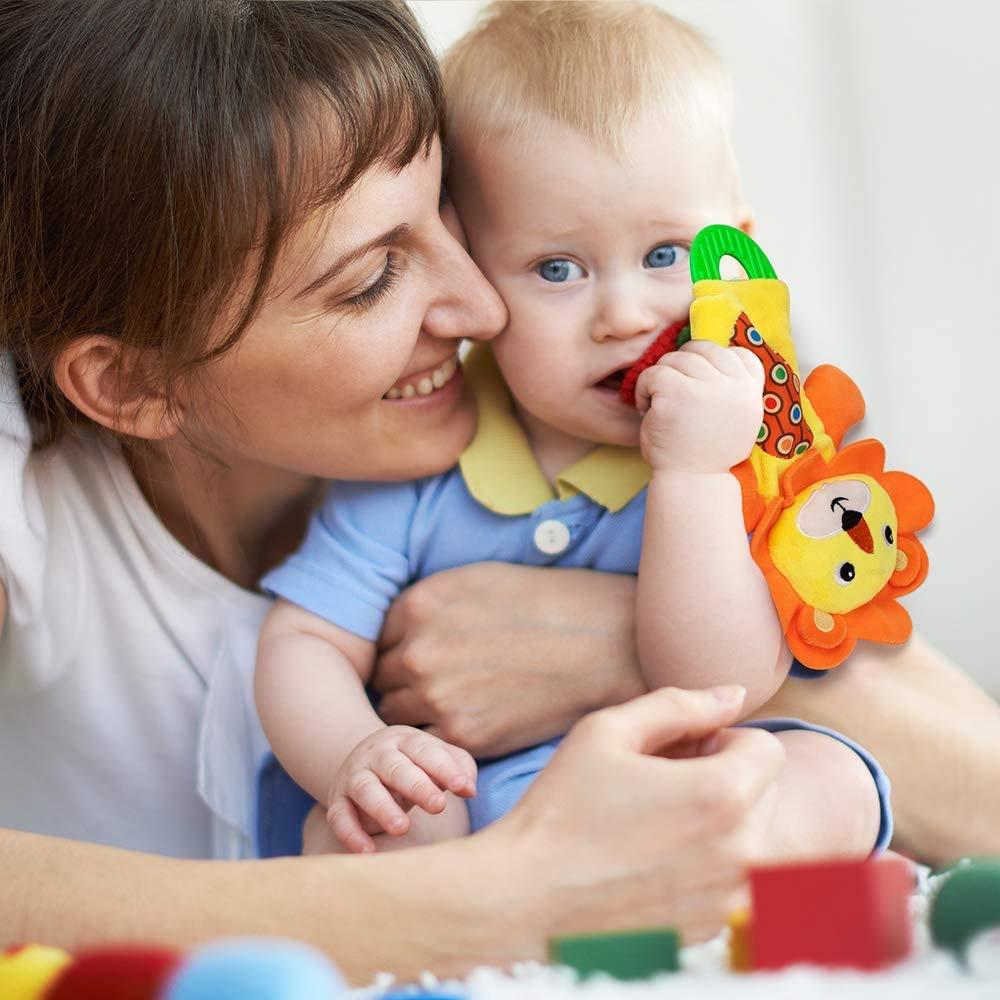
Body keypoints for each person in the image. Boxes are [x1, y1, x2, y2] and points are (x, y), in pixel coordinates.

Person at [0, 0, 997, 987]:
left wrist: (615, 643)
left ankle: (797, 929)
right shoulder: (52, 496)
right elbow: (313, 670)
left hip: (690, 815)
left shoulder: (693, 398)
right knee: (390, 821)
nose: (481, 304)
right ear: (133, 382)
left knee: (820, 784)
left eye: (446, 211)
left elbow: (974, 783)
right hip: (470, 830)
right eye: (366, 279)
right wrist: (478, 886)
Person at [254, 0, 887, 859]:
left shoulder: (756, 451)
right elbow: (304, 641)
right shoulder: (427, 449)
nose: (624, 315)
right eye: (558, 268)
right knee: (380, 824)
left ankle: (690, 913)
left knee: (830, 780)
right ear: (475, 273)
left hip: (680, 791)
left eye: (667, 255)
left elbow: (721, 682)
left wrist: (695, 475)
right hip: (490, 816)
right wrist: (355, 754)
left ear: (736, 258)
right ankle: (487, 933)